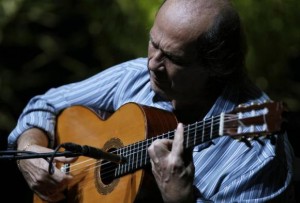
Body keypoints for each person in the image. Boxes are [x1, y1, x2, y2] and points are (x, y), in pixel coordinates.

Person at [7, 0, 295, 202]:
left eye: (172, 58)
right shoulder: (136, 74)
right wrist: (29, 150)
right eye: (153, 43)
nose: (152, 64)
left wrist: (178, 198)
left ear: (217, 67)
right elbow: (45, 103)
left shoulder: (258, 159)